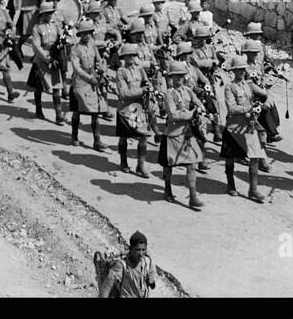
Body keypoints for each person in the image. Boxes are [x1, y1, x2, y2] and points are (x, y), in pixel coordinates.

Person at [219, 55, 267, 202]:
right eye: (238, 70)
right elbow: (231, 108)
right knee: (230, 158)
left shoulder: (249, 85)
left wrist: (262, 98)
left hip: (249, 126)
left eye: (243, 69)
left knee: (255, 156)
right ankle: (230, 184)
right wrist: (249, 107)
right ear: (233, 71)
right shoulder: (229, 87)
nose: (241, 72)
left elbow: (264, 95)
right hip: (234, 127)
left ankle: (253, 190)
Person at [159, 59, 205, 210]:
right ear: (171, 78)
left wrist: (200, 109)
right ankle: (167, 188)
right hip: (173, 134)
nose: (179, 79)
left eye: (181, 75)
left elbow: (199, 103)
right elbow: (173, 115)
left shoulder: (187, 91)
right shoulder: (168, 94)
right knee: (169, 165)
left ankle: (193, 196)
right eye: (176, 76)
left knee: (192, 164)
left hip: (186, 135)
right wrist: (192, 113)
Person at [114, 44, 153, 177]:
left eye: (133, 55)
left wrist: (148, 88)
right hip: (125, 109)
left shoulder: (140, 70)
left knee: (143, 136)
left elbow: (147, 83)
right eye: (128, 55)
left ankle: (140, 165)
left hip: (138, 108)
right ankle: (123, 161)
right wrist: (141, 91)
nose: (131, 58)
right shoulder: (121, 71)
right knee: (123, 137)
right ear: (123, 57)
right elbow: (123, 93)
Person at [69, 19, 106, 152]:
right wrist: (89, 78)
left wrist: (101, 69)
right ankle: (74, 136)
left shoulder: (92, 46)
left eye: (89, 33)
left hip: (92, 83)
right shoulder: (75, 50)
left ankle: (97, 141)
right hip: (79, 83)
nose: (87, 36)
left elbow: (99, 60)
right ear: (80, 35)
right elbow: (76, 68)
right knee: (77, 112)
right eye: (84, 33)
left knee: (95, 112)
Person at [27, 0, 65, 123]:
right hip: (41, 60)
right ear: (42, 14)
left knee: (56, 87)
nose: (49, 15)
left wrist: (65, 38)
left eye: (51, 13)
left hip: (55, 58)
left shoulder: (55, 26)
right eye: (47, 13)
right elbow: (36, 47)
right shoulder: (37, 28)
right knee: (39, 87)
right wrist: (47, 58)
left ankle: (58, 114)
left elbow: (62, 37)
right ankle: (38, 109)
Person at [98, 231, 157, 299]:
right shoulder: (121, 266)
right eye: (137, 250)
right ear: (130, 249)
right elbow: (106, 287)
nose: (141, 254)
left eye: (143, 250)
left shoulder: (148, 262)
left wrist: (151, 279)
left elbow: (152, 285)